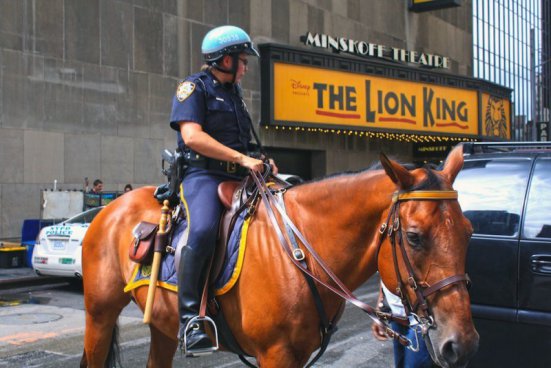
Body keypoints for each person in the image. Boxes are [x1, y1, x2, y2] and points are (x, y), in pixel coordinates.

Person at [169, 25, 278, 355]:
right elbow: (192, 137)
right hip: (202, 176)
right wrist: (242, 158)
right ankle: (190, 321)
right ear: (225, 60)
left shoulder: (235, 96)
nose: (246, 67)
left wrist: (259, 159)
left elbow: (241, 143)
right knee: (202, 230)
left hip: (239, 178)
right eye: (242, 61)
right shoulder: (194, 88)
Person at [371, 282, 436, 368]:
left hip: (421, 318)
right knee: (400, 365)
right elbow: (383, 276)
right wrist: (379, 309)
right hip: (396, 316)